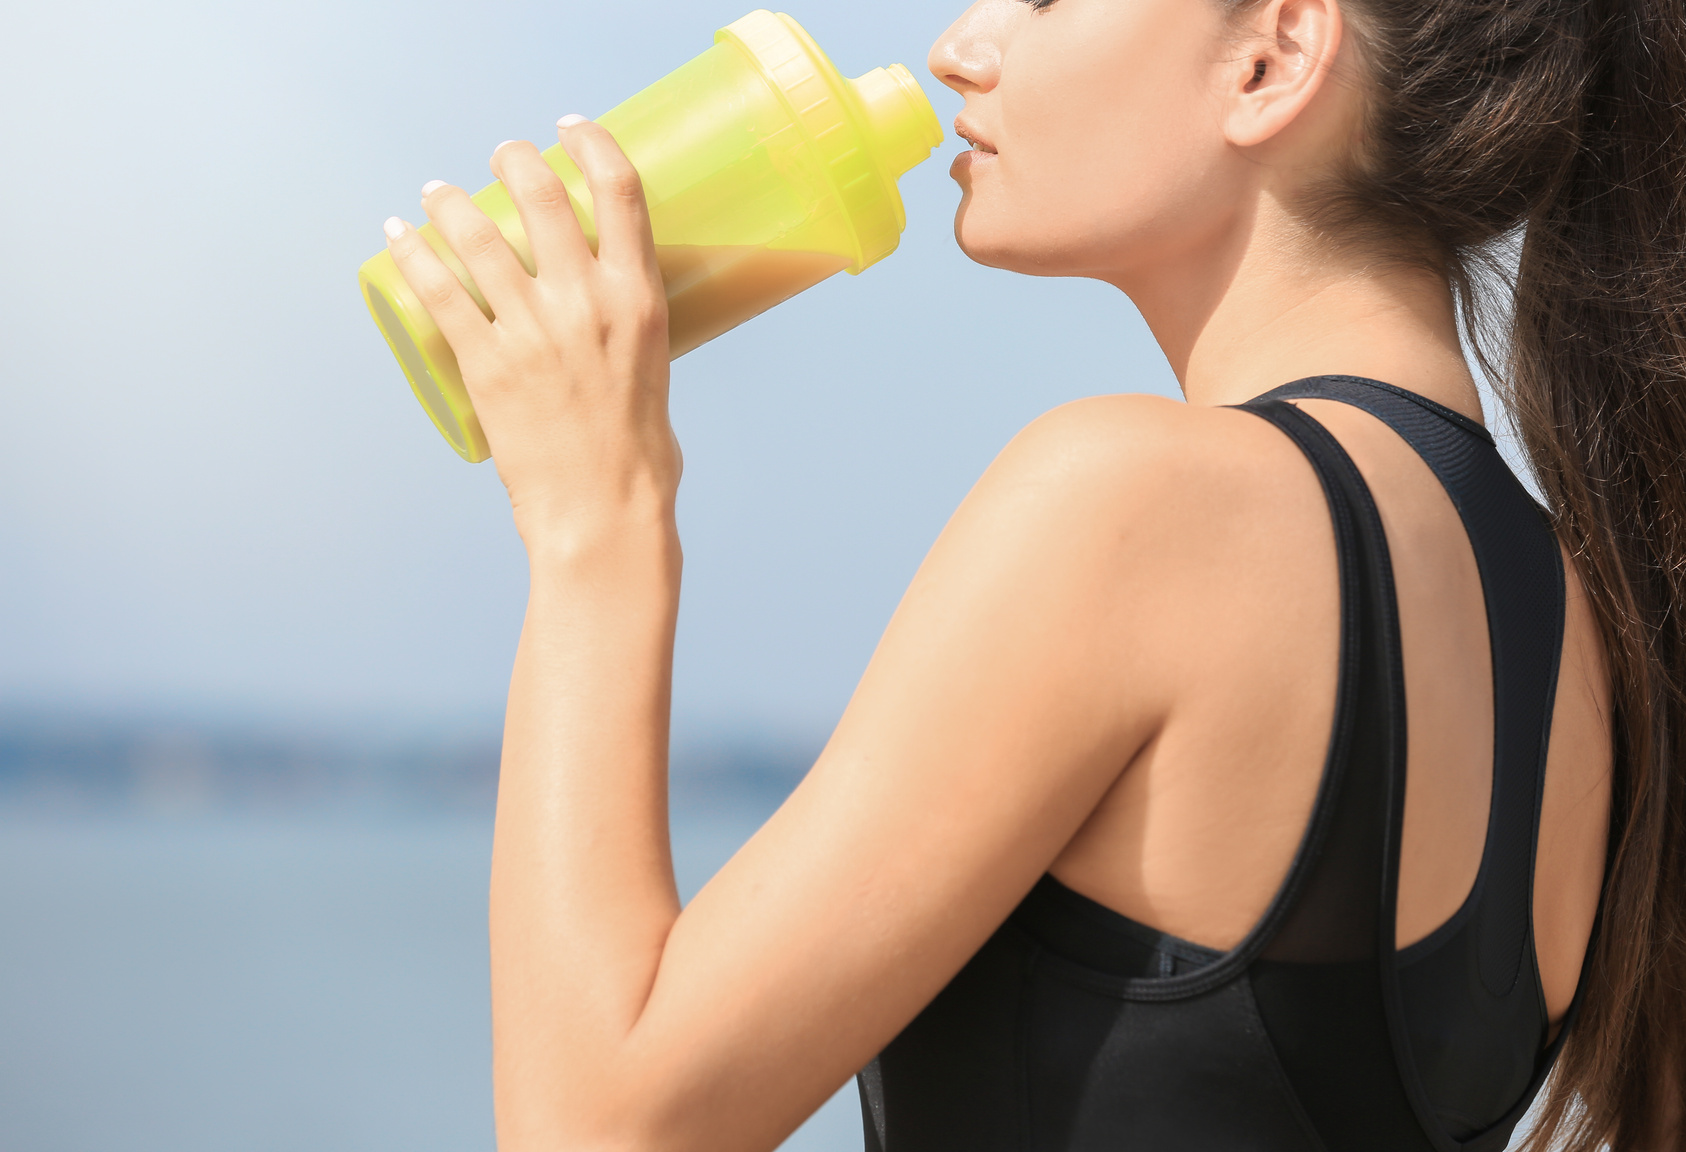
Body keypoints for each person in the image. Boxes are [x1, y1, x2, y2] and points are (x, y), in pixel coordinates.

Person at [379, 0, 1686, 1147]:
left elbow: (599, 1128)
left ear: (1270, 59)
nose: (958, 46)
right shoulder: (1578, 619)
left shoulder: (1138, 500)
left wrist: (595, 512)